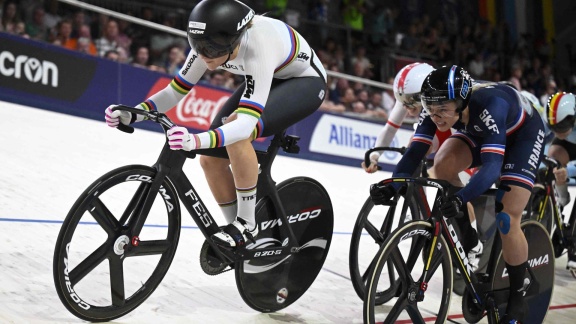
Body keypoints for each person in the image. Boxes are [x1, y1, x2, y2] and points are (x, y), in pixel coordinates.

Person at [105, 0, 327, 249]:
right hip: (269, 76)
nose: (203, 56)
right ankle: (241, 241)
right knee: (210, 160)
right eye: (197, 47)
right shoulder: (209, 42)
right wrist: (135, 114)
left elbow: (243, 125)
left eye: (210, 50)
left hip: (304, 83)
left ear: (234, 40)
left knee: (237, 133)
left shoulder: (258, 45)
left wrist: (195, 140)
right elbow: (175, 91)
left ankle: (246, 225)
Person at [370, 65, 546, 323]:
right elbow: (415, 153)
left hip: (523, 137)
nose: (436, 116)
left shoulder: (490, 105)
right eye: (430, 109)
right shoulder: (436, 107)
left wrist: (460, 198)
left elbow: (492, 167)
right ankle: (469, 237)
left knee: (506, 217)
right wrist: (393, 185)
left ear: (462, 102)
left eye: (443, 110)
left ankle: (520, 291)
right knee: (441, 165)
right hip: (481, 131)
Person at [544, 92, 576, 268]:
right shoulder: (555, 120)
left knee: (564, 170)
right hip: (569, 145)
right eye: (554, 127)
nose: (558, 132)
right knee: (553, 159)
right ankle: (562, 201)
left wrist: (569, 170)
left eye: (561, 128)